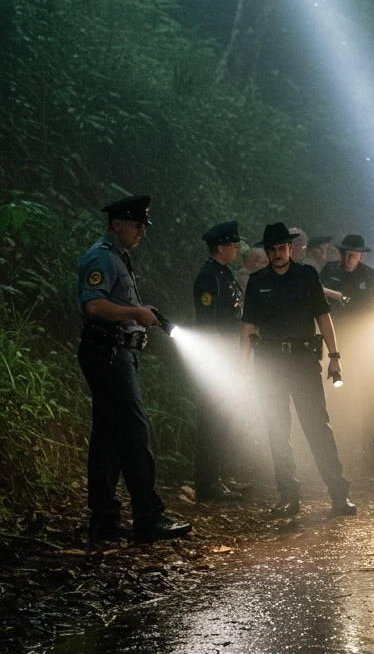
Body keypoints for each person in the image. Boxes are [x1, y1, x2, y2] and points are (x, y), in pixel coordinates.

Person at [77, 195, 192, 543]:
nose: (142, 231)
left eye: (143, 225)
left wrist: (142, 312)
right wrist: (135, 314)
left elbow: (114, 302)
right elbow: (94, 306)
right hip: (108, 352)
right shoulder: (102, 257)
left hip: (115, 352)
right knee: (133, 433)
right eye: (137, 224)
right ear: (116, 224)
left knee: (109, 438)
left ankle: (105, 520)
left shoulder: (118, 258)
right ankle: (148, 517)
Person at [241, 222, 355, 518]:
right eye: (272, 249)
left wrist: (335, 356)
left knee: (317, 427)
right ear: (266, 251)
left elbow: (323, 317)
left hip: (304, 363)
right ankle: (288, 496)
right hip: (271, 365)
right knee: (278, 431)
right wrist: (243, 369)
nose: (277, 253)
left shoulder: (306, 276)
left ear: (291, 248)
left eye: (281, 247)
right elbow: (248, 328)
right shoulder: (257, 281)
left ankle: (338, 494)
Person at [193, 220, 249, 502]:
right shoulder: (209, 277)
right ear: (221, 247)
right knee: (212, 419)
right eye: (234, 245)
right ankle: (208, 483)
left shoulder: (224, 274)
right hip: (218, 355)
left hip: (229, 351)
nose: (238, 249)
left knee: (224, 418)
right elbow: (209, 324)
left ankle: (219, 477)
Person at [320, 233, 374, 313]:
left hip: (358, 320)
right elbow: (318, 291)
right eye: (344, 254)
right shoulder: (330, 269)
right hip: (331, 317)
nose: (346, 258)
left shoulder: (371, 276)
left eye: (351, 256)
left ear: (360, 256)